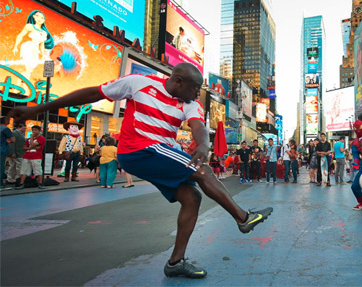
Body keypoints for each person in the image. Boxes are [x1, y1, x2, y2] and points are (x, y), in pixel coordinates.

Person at [8, 62, 273, 279]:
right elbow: (91, 94)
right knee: (202, 170)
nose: (197, 94)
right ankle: (242, 218)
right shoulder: (139, 83)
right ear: (178, 81)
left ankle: (175, 262)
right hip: (138, 148)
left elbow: (198, 127)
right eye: (194, 88)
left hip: (157, 153)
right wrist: (36, 109)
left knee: (192, 198)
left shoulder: (189, 103)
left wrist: (204, 144)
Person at [12, 10, 55, 81]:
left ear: (44, 20)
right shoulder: (30, 26)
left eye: (42, 18)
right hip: (28, 48)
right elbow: (20, 35)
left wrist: (43, 54)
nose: (39, 19)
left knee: (29, 70)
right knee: (28, 69)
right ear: (34, 17)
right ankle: (25, 88)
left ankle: (19, 85)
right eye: (37, 16)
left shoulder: (44, 32)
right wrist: (15, 47)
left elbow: (42, 45)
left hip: (35, 51)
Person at [16, 125, 46, 189]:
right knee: (24, 170)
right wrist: (30, 147)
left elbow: (34, 145)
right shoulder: (28, 139)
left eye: (36, 130)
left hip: (36, 157)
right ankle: (21, 183)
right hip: (27, 156)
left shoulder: (41, 138)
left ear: (39, 131)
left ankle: (40, 183)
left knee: (37, 170)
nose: (34, 131)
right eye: (33, 130)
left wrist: (32, 139)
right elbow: (24, 147)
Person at [1, 117, 16, 190]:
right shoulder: (5, 129)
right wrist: (9, 140)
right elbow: (13, 139)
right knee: (1, 167)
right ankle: (0, 184)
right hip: (2, 150)